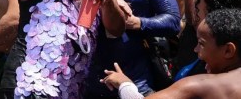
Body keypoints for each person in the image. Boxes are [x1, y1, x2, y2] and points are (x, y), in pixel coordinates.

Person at [101, 8, 241, 99]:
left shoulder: (199, 86)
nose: (196, 49)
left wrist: (125, 85)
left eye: (201, 44)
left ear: (228, 50)